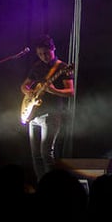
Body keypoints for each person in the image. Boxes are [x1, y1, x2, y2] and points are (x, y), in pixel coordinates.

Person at [20, 34, 74, 184]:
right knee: (35, 155)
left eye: (46, 53)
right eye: (40, 54)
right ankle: (41, 184)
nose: (43, 56)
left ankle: (52, 186)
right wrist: (28, 92)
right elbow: (24, 86)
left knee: (46, 154)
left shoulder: (63, 67)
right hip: (34, 115)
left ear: (53, 49)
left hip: (51, 115)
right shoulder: (37, 66)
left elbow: (71, 92)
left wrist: (53, 90)